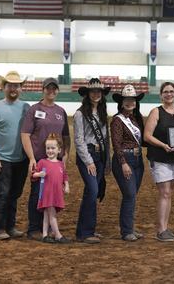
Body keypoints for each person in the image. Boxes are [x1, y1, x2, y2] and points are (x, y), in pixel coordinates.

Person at [21, 77, 70, 241]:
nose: (51, 91)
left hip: (55, 161)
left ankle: (47, 228)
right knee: (37, 193)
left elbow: (65, 136)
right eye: (48, 88)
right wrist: (31, 158)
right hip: (40, 160)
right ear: (43, 89)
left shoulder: (60, 111)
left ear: (57, 90)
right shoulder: (34, 110)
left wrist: (65, 155)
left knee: (52, 193)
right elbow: (25, 134)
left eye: (54, 88)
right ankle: (34, 228)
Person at [0, 71, 30, 240]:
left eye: (16, 86)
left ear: (21, 88)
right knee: (3, 193)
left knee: (15, 193)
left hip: (22, 159)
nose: (13, 89)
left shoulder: (26, 108)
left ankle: (10, 226)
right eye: (10, 85)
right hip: (3, 159)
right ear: (4, 87)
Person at [144, 82, 174, 242]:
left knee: (169, 193)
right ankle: (161, 230)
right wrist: (163, 145)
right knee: (164, 192)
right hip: (160, 157)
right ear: (161, 95)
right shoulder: (156, 112)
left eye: (171, 91)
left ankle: (165, 227)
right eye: (165, 92)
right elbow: (147, 136)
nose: (168, 94)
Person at [74, 78, 111, 244]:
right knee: (92, 189)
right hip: (87, 155)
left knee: (91, 192)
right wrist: (88, 161)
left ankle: (85, 230)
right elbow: (79, 140)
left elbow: (105, 138)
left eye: (99, 92)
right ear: (88, 94)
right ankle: (86, 232)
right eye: (93, 91)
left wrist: (105, 160)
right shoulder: (80, 114)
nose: (96, 94)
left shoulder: (103, 113)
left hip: (100, 155)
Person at [111, 85, 145, 242]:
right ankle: (126, 231)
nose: (130, 102)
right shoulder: (117, 120)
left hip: (138, 160)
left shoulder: (136, 119)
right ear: (122, 101)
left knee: (132, 195)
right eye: (127, 99)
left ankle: (129, 227)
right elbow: (116, 144)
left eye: (133, 100)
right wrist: (123, 163)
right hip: (125, 159)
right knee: (130, 194)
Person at [32, 133, 70, 243]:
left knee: (47, 215)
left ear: (59, 150)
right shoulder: (42, 162)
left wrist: (66, 185)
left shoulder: (60, 164)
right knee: (52, 214)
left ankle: (44, 235)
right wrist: (39, 174)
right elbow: (33, 174)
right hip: (47, 194)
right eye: (48, 148)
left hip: (57, 193)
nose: (50, 151)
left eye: (53, 148)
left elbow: (64, 176)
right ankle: (58, 235)